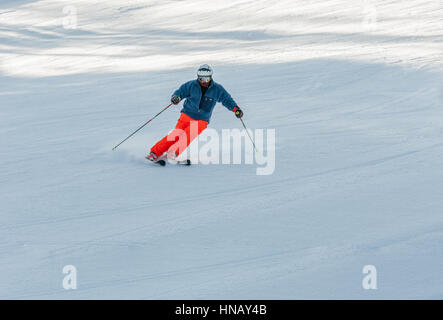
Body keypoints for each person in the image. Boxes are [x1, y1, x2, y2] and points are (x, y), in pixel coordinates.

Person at [146, 64, 243, 162]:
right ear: (198, 77)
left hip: (202, 119)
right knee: (175, 135)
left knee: (189, 134)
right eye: (201, 78)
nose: (204, 81)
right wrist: (176, 98)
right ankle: (154, 153)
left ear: (210, 77)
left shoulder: (217, 89)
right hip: (187, 115)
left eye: (206, 78)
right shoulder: (191, 85)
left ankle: (173, 153)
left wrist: (236, 109)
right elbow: (180, 92)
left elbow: (227, 99)